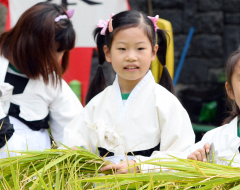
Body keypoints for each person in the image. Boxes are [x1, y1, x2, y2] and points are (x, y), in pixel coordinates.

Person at [63, 10, 194, 173]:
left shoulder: (166, 104)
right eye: (122, 49)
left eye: (140, 48)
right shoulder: (97, 104)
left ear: (153, 52)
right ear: (108, 53)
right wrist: (76, 153)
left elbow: (182, 155)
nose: (131, 57)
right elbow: (74, 142)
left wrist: (141, 166)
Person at [0, 2, 82, 157]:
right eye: (52, 52)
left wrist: (77, 151)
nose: (57, 60)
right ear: (29, 43)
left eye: (61, 52)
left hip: (32, 172)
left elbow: (73, 131)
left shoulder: (53, 84)